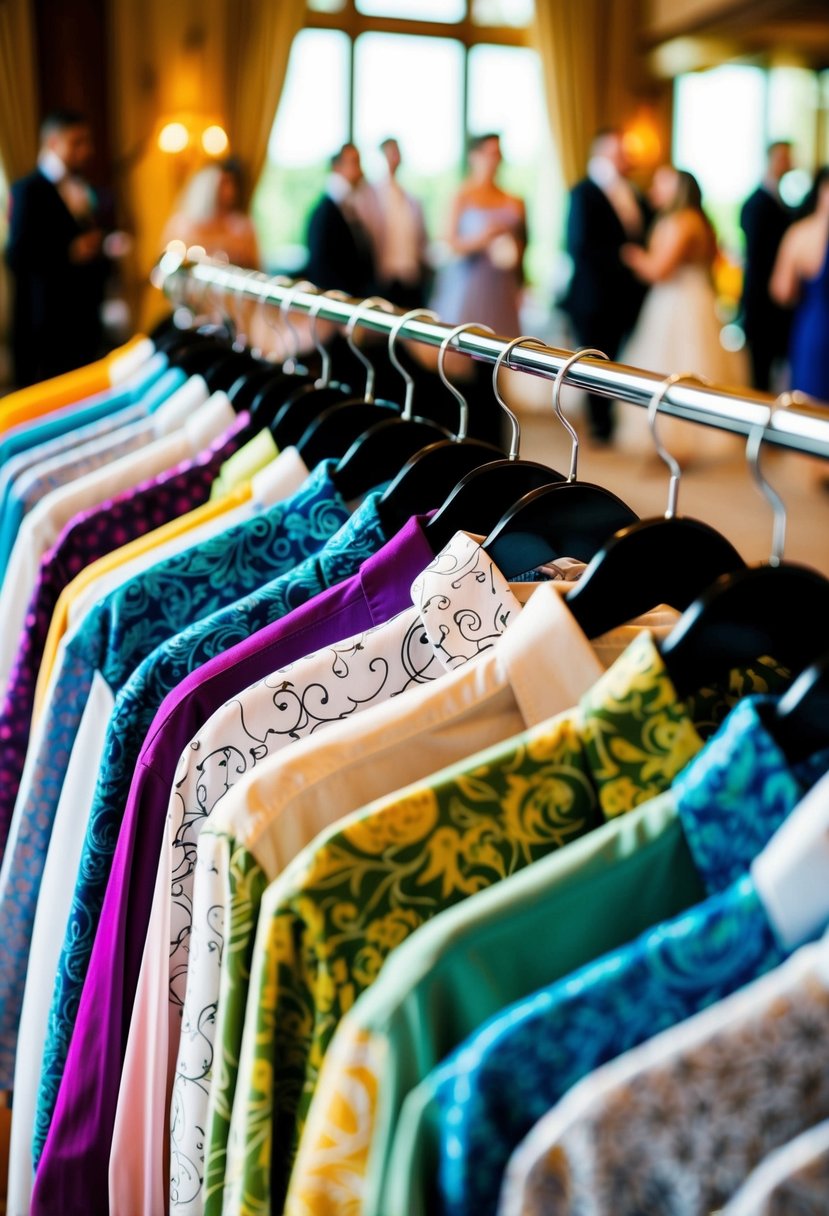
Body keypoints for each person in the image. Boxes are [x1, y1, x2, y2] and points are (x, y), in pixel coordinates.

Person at [617, 165, 747, 462]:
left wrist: (634, 257)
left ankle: (675, 442)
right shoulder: (702, 221)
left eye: (663, 184)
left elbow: (660, 270)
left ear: (679, 189)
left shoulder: (682, 222)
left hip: (677, 301)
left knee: (674, 367)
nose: (655, 190)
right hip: (697, 297)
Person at [5, 109, 109, 387]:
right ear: (53, 143)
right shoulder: (27, 190)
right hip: (45, 323)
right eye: (77, 142)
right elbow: (16, 255)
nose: (86, 150)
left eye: (87, 142)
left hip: (82, 319)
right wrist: (69, 252)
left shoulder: (83, 187)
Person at [561, 128, 651, 444]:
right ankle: (601, 426)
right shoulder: (583, 193)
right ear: (601, 153)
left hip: (630, 296)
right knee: (595, 359)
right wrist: (622, 257)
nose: (625, 158)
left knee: (623, 358)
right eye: (618, 152)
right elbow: (577, 245)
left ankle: (617, 419)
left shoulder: (636, 193)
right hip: (594, 296)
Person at [431, 133, 526, 338]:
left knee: (502, 346)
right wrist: (482, 240)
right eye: (489, 153)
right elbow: (447, 243)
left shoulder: (514, 200)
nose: (495, 159)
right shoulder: (461, 196)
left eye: (498, 154)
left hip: (502, 286)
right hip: (469, 283)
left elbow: (524, 245)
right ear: (474, 156)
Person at [770, 166, 829, 404]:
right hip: (813, 326)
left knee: (809, 408)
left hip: (813, 326)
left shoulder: (800, 233)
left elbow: (782, 291)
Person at [740, 141, 795, 391]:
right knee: (759, 372)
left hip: (779, 304)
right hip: (761, 301)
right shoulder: (755, 204)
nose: (790, 163)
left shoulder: (785, 202)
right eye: (784, 157)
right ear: (772, 159)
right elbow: (757, 259)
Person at [359, 137, 430, 309]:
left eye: (397, 154)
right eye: (390, 154)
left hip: (410, 278)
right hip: (382, 279)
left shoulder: (411, 199)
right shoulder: (366, 196)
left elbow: (421, 240)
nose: (394, 159)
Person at [304, 143, 377, 297]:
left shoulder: (351, 206)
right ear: (337, 167)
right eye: (354, 162)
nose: (360, 171)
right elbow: (321, 267)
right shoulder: (326, 212)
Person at [161, 158, 260, 268]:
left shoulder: (241, 226)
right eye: (224, 183)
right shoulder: (183, 224)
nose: (230, 191)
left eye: (233, 184)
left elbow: (254, 263)